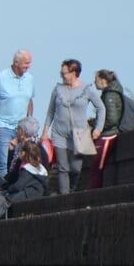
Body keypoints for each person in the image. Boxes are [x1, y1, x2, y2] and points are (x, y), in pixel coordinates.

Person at [43, 59, 105, 195]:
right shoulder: (57, 89)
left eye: (64, 73)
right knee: (62, 168)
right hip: (59, 133)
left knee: (75, 168)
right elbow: (50, 111)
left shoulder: (86, 90)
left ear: (74, 73)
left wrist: (98, 128)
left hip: (79, 135)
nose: (62, 76)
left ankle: (72, 190)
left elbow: (101, 108)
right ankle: (64, 196)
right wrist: (45, 131)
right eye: (61, 73)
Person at [0, 50, 35, 168]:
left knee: (19, 162)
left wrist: (29, 121)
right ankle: (2, 184)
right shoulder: (1, 77)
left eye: (29, 63)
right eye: (26, 63)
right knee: (4, 163)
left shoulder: (30, 79)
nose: (28, 66)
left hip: (21, 128)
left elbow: (29, 100)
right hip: (3, 126)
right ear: (16, 63)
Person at [89, 69, 127, 189]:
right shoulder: (111, 93)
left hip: (108, 135)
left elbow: (111, 119)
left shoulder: (110, 95)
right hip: (108, 133)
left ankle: (93, 194)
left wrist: (98, 127)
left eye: (96, 81)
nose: (94, 84)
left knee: (97, 167)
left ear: (102, 80)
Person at [1, 139, 50, 203]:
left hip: (28, 196)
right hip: (38, 195)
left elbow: (18, 186)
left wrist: (8, 189)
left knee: (6, 199)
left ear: (24, 153)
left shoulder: (28, 170)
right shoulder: (40, 168)